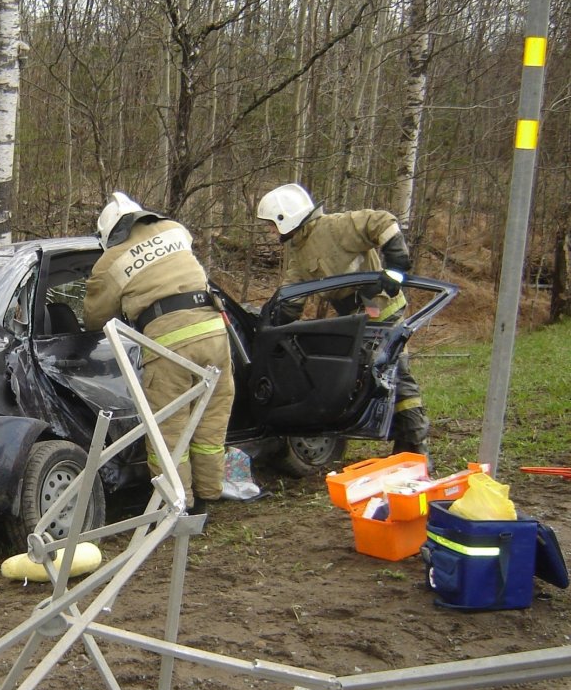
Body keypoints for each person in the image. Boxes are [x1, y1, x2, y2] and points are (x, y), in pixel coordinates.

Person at [84, 192, 235, 512]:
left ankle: (177, 507)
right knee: (210, 423)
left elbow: (95, 318)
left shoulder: (110, 261)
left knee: (168, 433)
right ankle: (208, 499)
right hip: (215, 334)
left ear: (110, 233)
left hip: (169, 346)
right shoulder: (175, 230)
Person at [256, 182, 429, 456]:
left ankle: (415, 446)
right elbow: (292, 298)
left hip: (383, 310)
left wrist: (396, 267)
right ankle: (399, 440)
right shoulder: (300, 254)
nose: (270, 230)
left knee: (395, 374)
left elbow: (382, 221)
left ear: (284, 217)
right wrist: (267, 325)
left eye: (270, 224)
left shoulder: (336, 227)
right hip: (357, 321)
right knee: (371, 380)